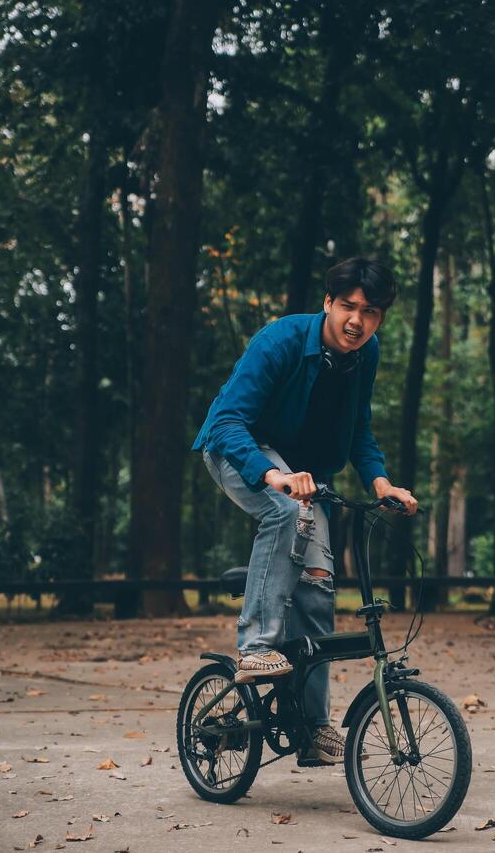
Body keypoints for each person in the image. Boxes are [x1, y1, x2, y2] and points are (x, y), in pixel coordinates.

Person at [192, 256, 418, 765]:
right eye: (348, 307)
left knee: (317, 583)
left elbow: (358, 429)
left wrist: (381, 482)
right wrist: (273, 476)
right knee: (285, 512)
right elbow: (228, 420)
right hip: (238, 450)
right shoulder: (281, 340)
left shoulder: (366, 354)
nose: (357, 321)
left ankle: (313, 727)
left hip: (304, 475)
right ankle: (256, 646)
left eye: (371, 312)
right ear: (328, 304)